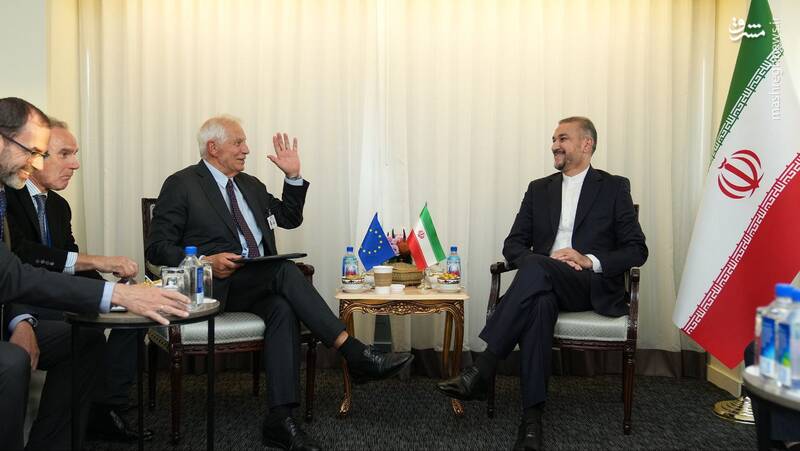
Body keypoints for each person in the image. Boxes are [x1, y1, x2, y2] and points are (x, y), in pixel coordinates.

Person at [145, 115, 413, 450]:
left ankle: (280, 419)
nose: (246, 149)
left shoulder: (251, 185)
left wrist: (293, 177)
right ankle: (354, 353)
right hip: (214, 285)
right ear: (213, 147)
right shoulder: (182, 184)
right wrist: (205, 260)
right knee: (285, 270)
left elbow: (288, 217)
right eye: (238, 142)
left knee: (282, 309)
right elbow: (157, 248)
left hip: (258, 282)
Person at [437, 117, 648, 450]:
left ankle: (484, 367)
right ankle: (531, 424)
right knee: (538, 302)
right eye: (553, 139)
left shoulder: (613, 187)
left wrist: (587, 259)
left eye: (563, 138)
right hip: (541, 285)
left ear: (586, 144)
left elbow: (637, 250)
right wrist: (541, 267)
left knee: (537, 267)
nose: (554, 145)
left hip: (586, 285)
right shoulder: (539, 189)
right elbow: (513, 245)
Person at [0, 97, 190, 450]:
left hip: (34, 298)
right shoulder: (9, 195)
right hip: (27, 301)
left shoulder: (56, 205)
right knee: (22, 356)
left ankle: (98, 411)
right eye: (40, 152)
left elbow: (47, 264)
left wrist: (119, 293)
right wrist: (108, 283)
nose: (74, 164)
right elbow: (21, 262)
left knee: (108, 327)